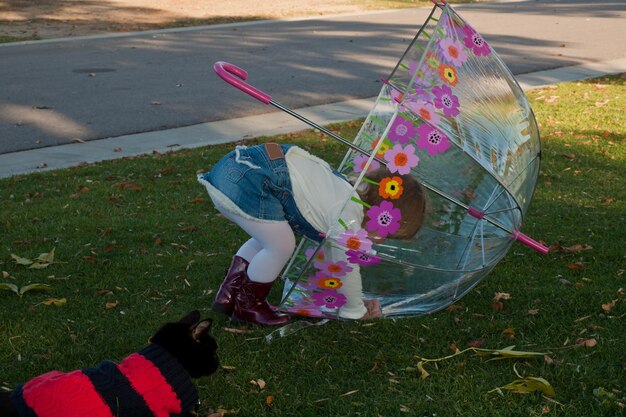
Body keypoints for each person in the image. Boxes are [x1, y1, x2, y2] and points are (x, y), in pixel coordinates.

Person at [198, 142, 426, 325]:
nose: (381, 241)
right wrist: (354, 309)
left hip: (236, 168)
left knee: (267, 238)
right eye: (388, 233)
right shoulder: (349, 216)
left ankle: (228, 294)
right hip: (250, 179)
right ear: (382, 214)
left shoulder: (343, 189)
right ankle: (248, 305)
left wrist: (347, 298)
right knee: (281, 245)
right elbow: (346, 266)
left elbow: (332, 259)